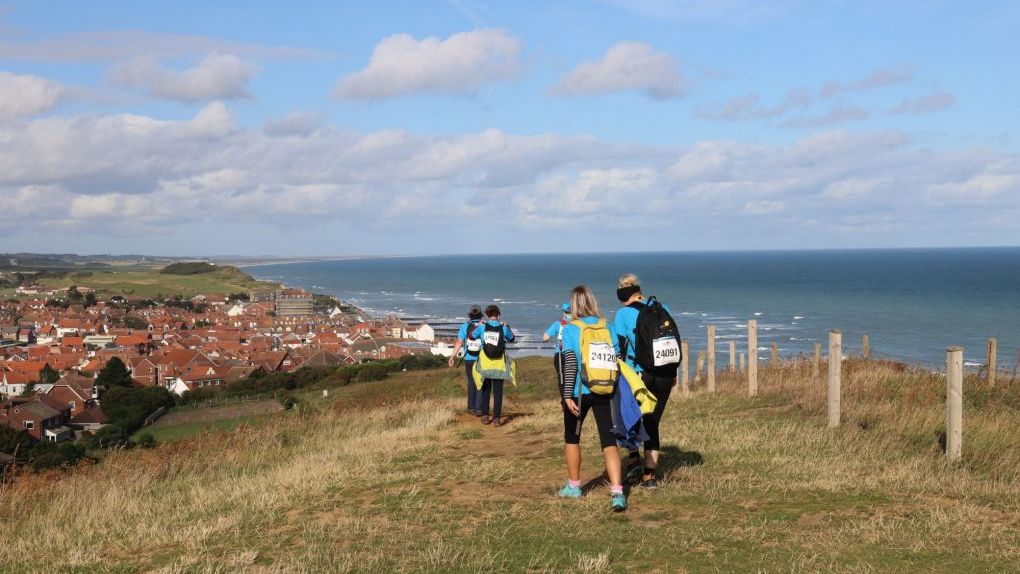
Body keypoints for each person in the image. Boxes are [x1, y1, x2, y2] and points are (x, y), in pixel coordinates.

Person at [557, 285, 627, 512]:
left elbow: (570, 361)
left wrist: (567, 394)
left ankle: (574, 487)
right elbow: (617, 356)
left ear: (574, 305)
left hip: (579, 391)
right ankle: (617, 492)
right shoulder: (607, 325)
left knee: (572, 438)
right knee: (609, 441)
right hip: (605, 390)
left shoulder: (571, 328)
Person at [612, 273, 680, 491]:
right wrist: (674, 372)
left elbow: (619, 349)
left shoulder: (622, 314)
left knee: (629, 416)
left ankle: (633, 460)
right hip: (666, 373)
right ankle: (649, 476)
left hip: (638, 374)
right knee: (652, 423)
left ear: (622, 294)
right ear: (639, 291)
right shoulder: (662, 308)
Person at [468, 304, 515, 426]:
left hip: (485, 364)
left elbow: (471, 337)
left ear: (487, 315)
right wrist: (507, 326)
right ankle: (496, 419)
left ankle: (484, 416)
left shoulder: (483, 327)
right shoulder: (503, 328)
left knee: (485, 390)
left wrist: (478, 326)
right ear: (498, 315)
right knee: (498, 392)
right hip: (499, 364)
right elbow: (512, 339)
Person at [448, 304, 485, 416]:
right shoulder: (484, 326)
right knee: (480, 382)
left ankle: (471, 407)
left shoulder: (464, 326)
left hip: (468, 358)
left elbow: (459, 342)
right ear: (481, 315)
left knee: (471, 381)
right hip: (481, 358)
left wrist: (452, 356)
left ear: (470, 315)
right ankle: (479, 409)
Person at [542, 302, 572, 381]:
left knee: (562, 379)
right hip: (574, 355)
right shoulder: (579, 323)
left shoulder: (558, 323)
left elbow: (545, 338)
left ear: (563, 312)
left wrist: (553, 338)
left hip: (560, 354)